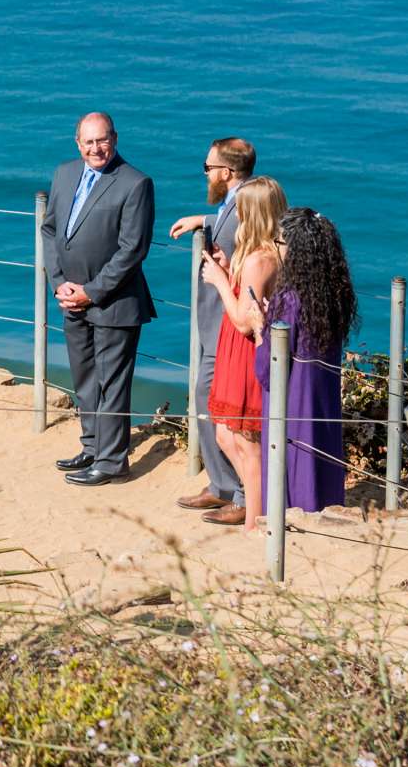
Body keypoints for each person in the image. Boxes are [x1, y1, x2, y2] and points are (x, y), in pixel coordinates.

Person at [40, 112, 155, 485]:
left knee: (112, 382)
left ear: (115, 139)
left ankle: (111, 462)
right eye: (88, 142)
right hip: (69, 297)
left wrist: (91, 292)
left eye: (102, 140)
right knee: (85, 377)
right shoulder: (65, 173)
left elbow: (132, 250)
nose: (96, 148)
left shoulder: (135, 183)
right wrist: (60, 283)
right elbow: (51, 229)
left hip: (114, 302)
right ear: (77, 143)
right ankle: (91, 446)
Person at [170, 137, 256, 514]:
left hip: (227, 327)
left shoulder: (245, 207)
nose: (205, 173)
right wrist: (203, 220)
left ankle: (238, 493)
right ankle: (222, 484)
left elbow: (245, 239)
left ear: (226, 172)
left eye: (208, 168)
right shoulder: (236, 202)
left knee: (221, 407)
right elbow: (227, 221)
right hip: (215, 326)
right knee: (207, 400)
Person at [200, 175, 285, 526]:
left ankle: (254, 520)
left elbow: (244, 321)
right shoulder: (267, 251)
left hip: (244, 349)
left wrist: (220, 282)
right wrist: (226, 268)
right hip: (236, 349)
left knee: (245, 441)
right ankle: (255, 511)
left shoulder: (259, 259)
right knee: (225, 432)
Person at [259, 207, 356, 515]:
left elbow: (268, 368)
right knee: (321, 460)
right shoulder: (332, 293)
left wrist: (260, 325)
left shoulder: (288, 299)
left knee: (292, 467)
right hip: (323, 399)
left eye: (279, 241)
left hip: (292, 403)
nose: (277, 247)